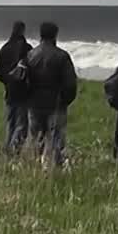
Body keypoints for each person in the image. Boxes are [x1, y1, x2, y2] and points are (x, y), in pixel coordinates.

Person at [25, 22, 78, 167]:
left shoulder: (30, 55)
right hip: (56, 104)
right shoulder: (62, 56)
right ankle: (55, 166)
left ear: (40, 35)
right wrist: (65, 101)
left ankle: (35, 165)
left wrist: (28, 99)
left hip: (34, 104)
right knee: (56, 139)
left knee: (36, 137)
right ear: (55, 35)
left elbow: (24, 80)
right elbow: (70, 83)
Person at [0, 21, 33, 155]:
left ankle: (7, 147)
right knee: (22, 124)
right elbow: (32, 71)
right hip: (23, 92)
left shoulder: (4, 49)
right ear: (23, 31)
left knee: (10, 123)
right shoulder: (27, 49)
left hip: (9, 92)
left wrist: (8, 82)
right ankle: (14, 149)